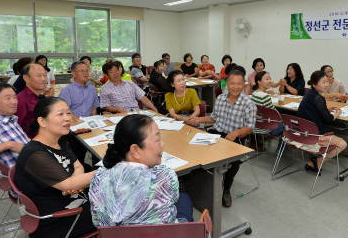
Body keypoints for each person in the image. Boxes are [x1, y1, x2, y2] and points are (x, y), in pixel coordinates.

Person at [14, 97, 97, 238]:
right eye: (60, 114)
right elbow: (68, 184)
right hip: (59, 220)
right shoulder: (35, 154)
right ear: (42, 121)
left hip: (72, 201)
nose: (67, 118)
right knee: (124, 207)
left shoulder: (58, 140)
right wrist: (111, 168)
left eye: (69, 113)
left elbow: (77, 165)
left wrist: (75, 183)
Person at [90, 115, 193, 227]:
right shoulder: (165, 176)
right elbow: (171, 206)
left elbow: (97, 222)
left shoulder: (99, 177)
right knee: (184, 198)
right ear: (135, 150)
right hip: (161, 234)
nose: (162, 144)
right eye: (158, 139)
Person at [194, 70, 257, 208]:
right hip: (216, 133)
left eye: (239, 83)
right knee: (195, 147)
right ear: (226, 84)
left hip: (234, 137)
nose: (236, 86)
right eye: (232, 83)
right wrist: (197, 119)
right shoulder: (221, 98)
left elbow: (250, 127)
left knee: (233, 161)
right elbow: (213, 117)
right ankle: (201, 182)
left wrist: (236, 133)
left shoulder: (248, 104)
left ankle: (226, 189)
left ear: (244, 84)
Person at [297, 71, 347, 173]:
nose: (326, 85)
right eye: (323, 82)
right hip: (314, 135)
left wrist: (325, 110)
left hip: (303, 132)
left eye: (327, 82)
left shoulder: (310, 93)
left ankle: (315, 161)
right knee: (343, 144)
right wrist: (337, 113)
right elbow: (328, 119)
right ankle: (318, 160)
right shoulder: (319, 98)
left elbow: (311, 110)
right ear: (314, 84)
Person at [0, 84, 29, 168]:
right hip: (25, 174)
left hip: (34, 167)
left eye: (14, 97)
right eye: (8, 98)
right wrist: (8, 145)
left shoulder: (10, 120)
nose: (14, 102)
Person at [16, 63, 54, 139]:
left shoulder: (37, 97)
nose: (43, 79)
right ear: (26, 78)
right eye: (38, 76)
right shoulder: (22, 100)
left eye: (45, 75)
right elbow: (15, 128)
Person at [251, 71, 285, 153]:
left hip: (256, 126)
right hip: (265, 129)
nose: (269, 81)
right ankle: (280, 150)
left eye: (270, 78)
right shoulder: (265, 96)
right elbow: (276, 115)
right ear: (259, 82)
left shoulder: (254, 93)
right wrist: (284, 120)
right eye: (267, 79)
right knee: (288, 125)